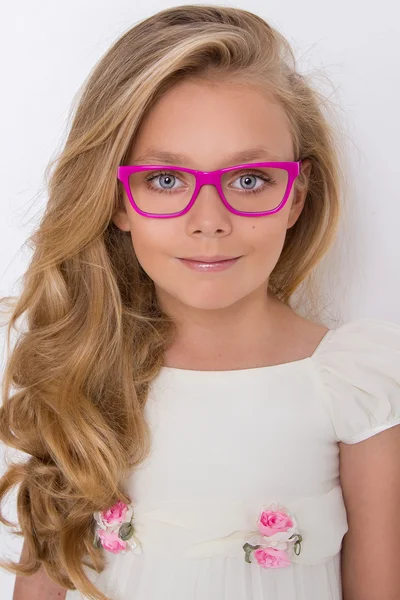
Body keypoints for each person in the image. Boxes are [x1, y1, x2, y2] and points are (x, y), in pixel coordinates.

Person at [1, 4, 400, 600]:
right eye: (166, 181)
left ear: (296, 196)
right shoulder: (82, 374)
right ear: (116, 200)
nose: (208, 221)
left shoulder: (356, 380)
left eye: (249, 180)